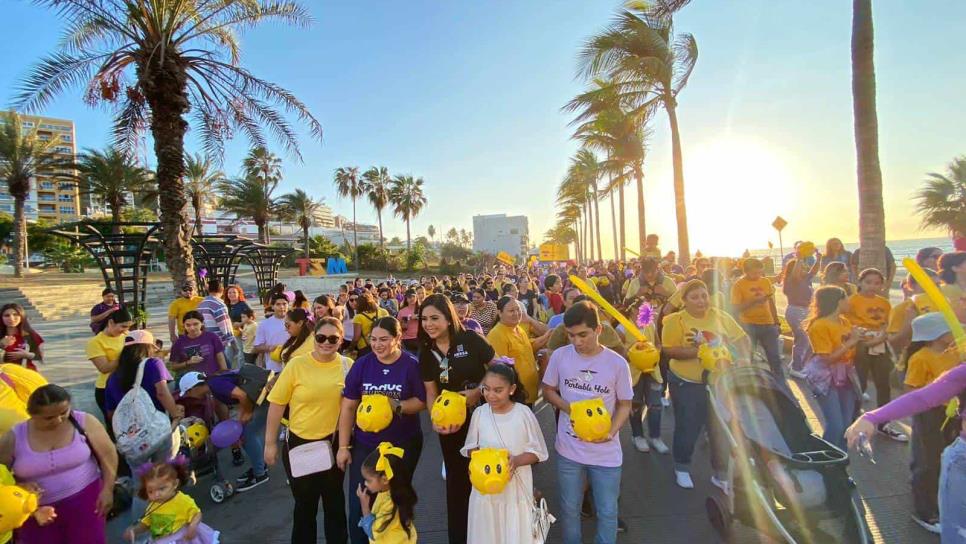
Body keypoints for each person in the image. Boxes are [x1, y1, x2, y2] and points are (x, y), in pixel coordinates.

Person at [844, 317, 966, 543]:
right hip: (963, 460)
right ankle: (925, 510)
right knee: (959, 533)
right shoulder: (961, 372)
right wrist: (872, 417)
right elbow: (921, 397)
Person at [541, 301, 632, 544]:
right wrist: (571, 409)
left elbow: (625, 404)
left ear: (598, 330)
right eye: (571, 335)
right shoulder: (560, 356)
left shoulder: (617, 363)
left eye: (583, 334)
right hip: (569, 449)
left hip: (606, 453)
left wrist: (612, 431)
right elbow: (548, 390)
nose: (577, 341)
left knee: (607, 511)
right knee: (570, 510)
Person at [265, 317, 353, 544]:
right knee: (305, 506)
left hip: (333, 444)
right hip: (299, 444)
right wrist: (270, 443)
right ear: (314, 337)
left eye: (333, 339)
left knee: (334, 504)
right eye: (321, 337)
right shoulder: (296, 365)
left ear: (341, 339)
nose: (326, 342)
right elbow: (277, 404)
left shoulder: (347, 365)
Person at [337, 317, 425, 544]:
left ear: (397, 338)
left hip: (402, 445)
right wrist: (343, 447)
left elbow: (421, 402)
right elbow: (348, 406)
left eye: (384, 339)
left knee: (395, 501)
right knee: (361, 499)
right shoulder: (362, 365)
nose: (377, 345)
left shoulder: (411, 365)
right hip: (366, 445)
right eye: (374, 339)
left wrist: (394, 405)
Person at [418, 294, 495, 544]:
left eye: (435, 318)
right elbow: (431, 393)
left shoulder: (470, 340)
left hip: (482, 419)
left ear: (449, 319)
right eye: (424, 319)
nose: (429, 324)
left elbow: (498, 369)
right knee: (456, 482)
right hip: (450, 427)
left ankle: (489, 535)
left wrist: (478, 391)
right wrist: (435, 420)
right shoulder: (426, 351)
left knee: (485, 476)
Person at [0, 384, 118, 544]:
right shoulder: (14, 436)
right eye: (48, 417)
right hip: (37, 512)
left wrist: (108, 489)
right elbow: (3, 478)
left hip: (86, 502)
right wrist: (20, 487)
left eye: (64, 413)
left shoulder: (84, 421)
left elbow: (108, 455)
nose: (58, 420)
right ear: (31, 414)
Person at [661, 279, 750, 489]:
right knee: (688, 425)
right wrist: (701, 352)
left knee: (720, 428)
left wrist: (744, 358)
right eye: (694, 297)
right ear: (684, 301)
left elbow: (741, 338)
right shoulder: (675, 321)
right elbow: (668, 350)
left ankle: (720, 473)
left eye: (704, 295)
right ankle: (682, 467)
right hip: (687, 382)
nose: (701, 301)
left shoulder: (721, 317)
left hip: (720, 382)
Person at [461, 363, 549, 544]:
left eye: (498, 390)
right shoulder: (479, 413)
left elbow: (538, 451)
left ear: (512, 389)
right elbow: (469, 447)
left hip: (514, 489)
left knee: (514, 531)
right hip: (485, 489)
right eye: (486, 389)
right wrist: (483, 457)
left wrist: (516, 461)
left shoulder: (523, 414)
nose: (491, 395)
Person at [901, 313, 961, 533]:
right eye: (950, 329)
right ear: (936, 334)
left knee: (946, 457)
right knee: (927, 460)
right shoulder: (921, 357)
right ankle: (924, 510)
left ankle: (940, 499)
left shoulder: (953, 353)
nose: (955, 332)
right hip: (930, 414)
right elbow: (911, 389)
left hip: (951, 413)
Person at [179, 362, 275, 493]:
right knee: (246, 433)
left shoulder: (215, 385)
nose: (189, 397)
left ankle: (260, 474)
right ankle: (259, 466)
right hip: (261, 396)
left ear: (192, 389)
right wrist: (243, 416)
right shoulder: (214, 383)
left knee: (248, 434)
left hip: (266, 397)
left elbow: (242, 395)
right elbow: (242, 393)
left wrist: (247, 413)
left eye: (188, 393)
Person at [848, 268, 907, 441]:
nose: (872, 286)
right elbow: (844, 323)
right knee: (860, 384)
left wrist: (881, 336)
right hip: (860, 345)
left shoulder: (884, 303)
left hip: (880, 345)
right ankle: (853, 422)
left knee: (884, 384)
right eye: (868, 282)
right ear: (860, 282)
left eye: (877, 283)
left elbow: (888, 325)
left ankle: (883, 423)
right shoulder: (852, 301)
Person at [802, 286, 862, 450]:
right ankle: (825, 460)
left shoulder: (844, 322)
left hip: (846, 375)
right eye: (846, 298)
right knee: (835, 425)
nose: (850, 301)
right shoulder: (819, 326)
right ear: (838, 301)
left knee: (846, 425)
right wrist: (851, 342)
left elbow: (850, 347)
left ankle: (840, 464)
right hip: (825, 378)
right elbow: (826, 358)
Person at [123, 459, 220, 543]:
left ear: (175, 484)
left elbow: (196, 514)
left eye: (162, 489)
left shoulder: (181, 500)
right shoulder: (152, 506)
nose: (156, 494)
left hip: (182, 538)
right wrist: (135, 530)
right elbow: (146, 523)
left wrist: (193, 526)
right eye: (150, 491)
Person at [487, 297, 552, 405]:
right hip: (515, 396)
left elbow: (528, 347)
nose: (516, 313)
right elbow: (499, 370)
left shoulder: (518, 329)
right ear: (500, 313)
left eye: (518, 310)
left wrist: (546, 337)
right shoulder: (496, 335)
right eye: (511, 311)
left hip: (528, 393)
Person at [730, 258, 783, 378]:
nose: (758, 276)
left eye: (760, 272)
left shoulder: (765, 282)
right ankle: (749, 384)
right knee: (748, 358)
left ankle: (781, 385)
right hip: (749, 325)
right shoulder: (738, 285)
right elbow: (735, 308)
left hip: (768, 324)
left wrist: (776, 322)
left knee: (775, 358)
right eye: (755, 273)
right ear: (746, 272)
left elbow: (770, 302)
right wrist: (753, 301)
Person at [355, 443, 418, 544]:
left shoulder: (389, 506)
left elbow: (373, 532)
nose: (365, 484)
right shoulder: (398, 494)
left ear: (384, 479)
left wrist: (365, 507)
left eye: (368, 480)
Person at [86, 307, 134, 429]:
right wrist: (126, 355)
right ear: (111, 322)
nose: (125, 331)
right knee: (116, 427)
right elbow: (104, 367)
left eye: (128, 327)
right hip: (107, 389)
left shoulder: (127, 336)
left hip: (128, 385)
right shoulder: (95, 342)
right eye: (123, 326)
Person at [782, 255, 822, 378]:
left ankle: (797, 363)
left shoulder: (805, 279)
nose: (805, 269)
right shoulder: (791, 280)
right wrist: (799, 258)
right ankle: (796, 368)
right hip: (796, 312)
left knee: (806, 340)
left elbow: (814, 271)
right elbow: (795, 273)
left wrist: (818, 259)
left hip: (805, 312)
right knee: (804, 340)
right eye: (802, 268)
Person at [169, 311, 228, 377]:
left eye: (195, 324)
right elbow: (173, 367)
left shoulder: (212, 337)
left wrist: (224, 374)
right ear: (184, 326)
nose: (192, 328)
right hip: (191, 381)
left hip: (213, 377)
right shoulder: (179, 343)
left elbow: (221, 359)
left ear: (202, 323)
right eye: (188, 325)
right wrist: (188, 362)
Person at [197, 279, 236, 369]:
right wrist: (231, 341)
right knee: (226, 367)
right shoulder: (219, 304)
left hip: (205, 341)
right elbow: (225, 325)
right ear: (222, 290)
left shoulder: (201, 304)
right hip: (218, 342)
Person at [253, 294, 291, 372]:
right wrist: (270, 348)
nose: (282, 307)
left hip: (293, 367)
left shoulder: (296, 321)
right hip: (274, 368)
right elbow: (257, 346)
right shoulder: (264, 324)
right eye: (278, 304)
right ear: (272, 306)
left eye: (284, 304)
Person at [1, 303, 43, 370]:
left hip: (25, 375)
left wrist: (26, 355)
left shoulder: (30, 335)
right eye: (7, 315)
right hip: (4, 376)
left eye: (15, 314)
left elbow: (39, 356)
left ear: (22, 316)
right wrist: (1, 345)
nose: (11, 318)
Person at [352, 293, 390, 358]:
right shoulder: (383, 311)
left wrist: (350, 348)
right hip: (383, 344)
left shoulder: (358, 317)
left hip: (365, 347)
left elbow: (356, 337)